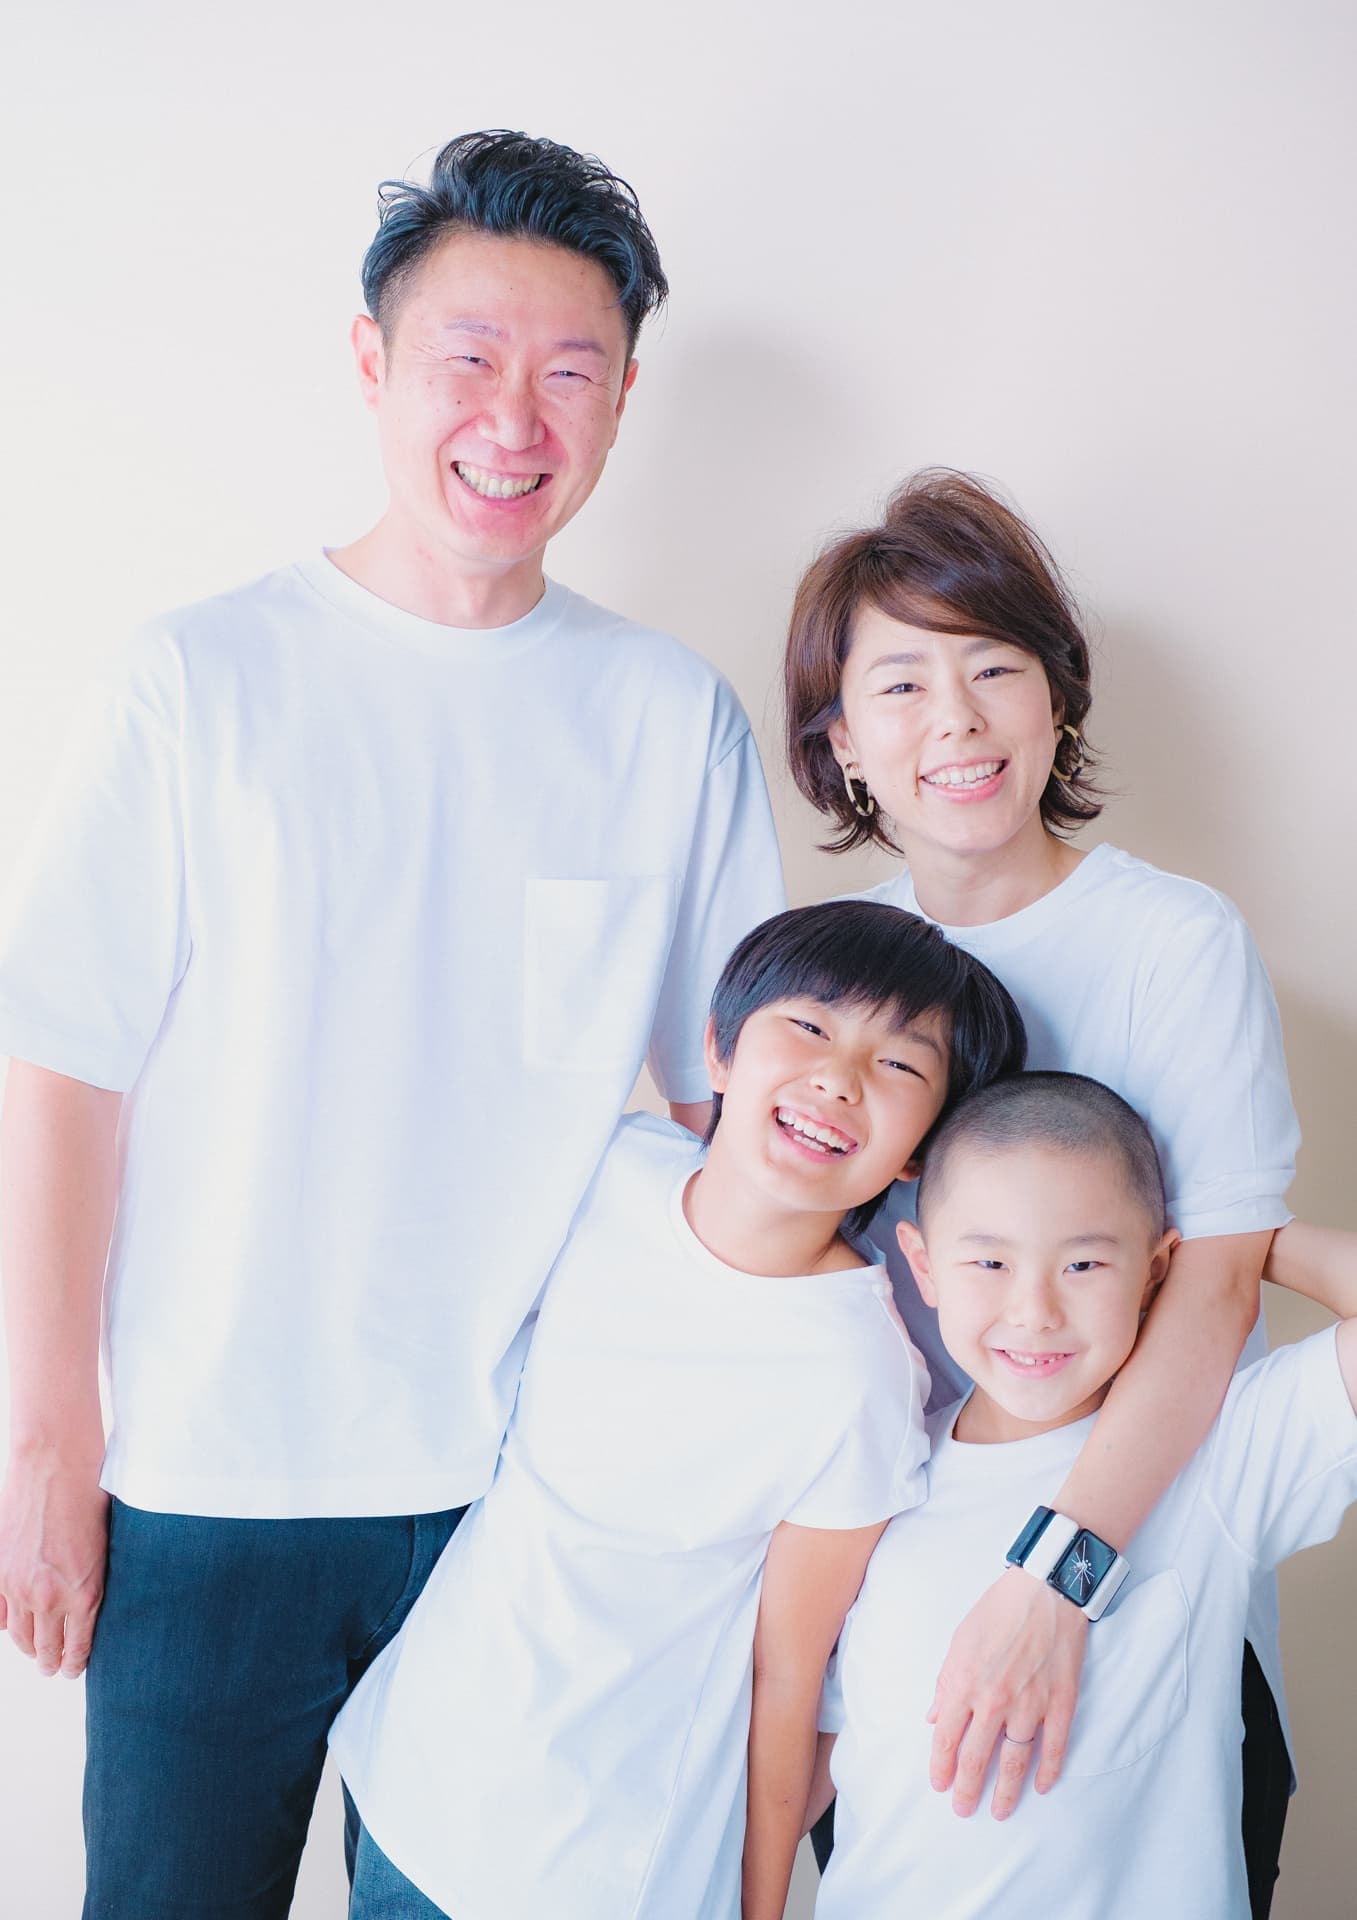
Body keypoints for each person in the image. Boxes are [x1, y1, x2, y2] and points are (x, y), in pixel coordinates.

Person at [0, 131, 784, 1917]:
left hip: (528, 1507)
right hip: (205, 1487)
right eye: (469, 359)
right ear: (371, 364)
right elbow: (62, 1071)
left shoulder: (668, 719)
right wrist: (46, 1445)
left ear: (623, 401)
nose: (515, 419)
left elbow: (731, 1114)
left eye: (570, 373)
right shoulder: (196, 683)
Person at [783, 470, 1301, 1911]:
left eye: (992, 669)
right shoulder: (832, 966)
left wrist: (1052, 1579)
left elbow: (1213, 1290)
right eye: (901, 684)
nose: (954, 720)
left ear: (1056, 700)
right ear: (843, 743)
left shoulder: (1173, 943)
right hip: (895, 1622)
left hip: (1146, 1602)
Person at [324, 901, 1026, 1920]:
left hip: (586, 1858)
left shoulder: (857, 1373)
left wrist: (761, 1905)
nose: (838, 1079)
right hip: (415, 1765)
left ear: (922, 1151)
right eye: (810, 1026)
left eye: (898, 1067)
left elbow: (791, 1677)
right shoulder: (608, 1169)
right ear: (719, 1048)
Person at [808, 1071, 1357, 1918]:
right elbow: (824, 1746)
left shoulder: (1215, 1454)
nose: (1034, 1311)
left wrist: (1242, 1238)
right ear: (922, 1264)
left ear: (1156, 1268)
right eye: (989, 1261)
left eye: (1084, 1263)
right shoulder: (880, 1466)